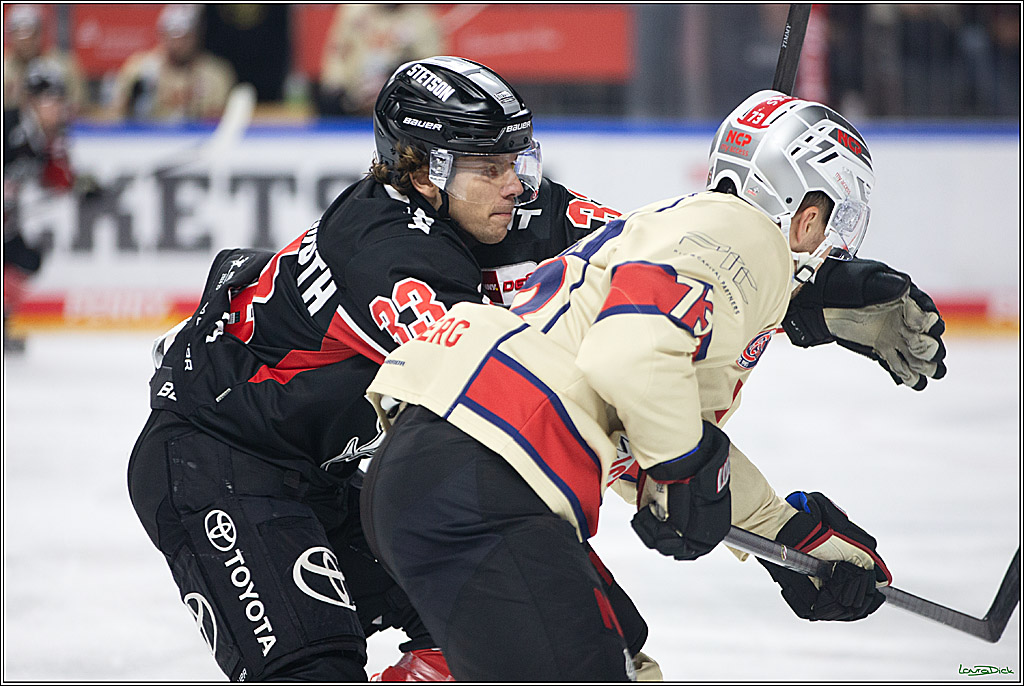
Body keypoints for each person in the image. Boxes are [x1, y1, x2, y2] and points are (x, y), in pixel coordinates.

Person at [127, 55, 945, 681]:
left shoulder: (511, 202)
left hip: (361, 471)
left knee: (596, 637)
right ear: (419, 171)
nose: (516, 182)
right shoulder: (383, 250)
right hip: (226, 461)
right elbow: (540, 398)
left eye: (518, 156)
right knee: (314, 669)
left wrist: (797, 289)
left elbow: (651, 255)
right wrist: (699, 478)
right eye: (489, 165)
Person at [360, 91, 901, 680]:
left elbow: (636, 415)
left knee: (621, 653)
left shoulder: (675, 230)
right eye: (840, 220)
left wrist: (790, 535)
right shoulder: (748, 235)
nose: (837, 246)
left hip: (441, 467)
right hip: (483, 479)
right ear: (807, 208)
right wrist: (683, 465)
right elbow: (632, 355)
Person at [4, 60, 100, 353]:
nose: (59, 107)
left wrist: (84, 187)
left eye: (61, 100)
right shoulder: (8, 126)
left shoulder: (52, 135)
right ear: (32, 101)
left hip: (7, 220)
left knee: (25, 259)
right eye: (52, 100)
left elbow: (58, 177)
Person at [109, 3, 236, 121]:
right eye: (172, 37)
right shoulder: (139, 69)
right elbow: (117, 115)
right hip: (148, 140)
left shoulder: (216, 73)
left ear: (197, 37)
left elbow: (227, 117)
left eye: (185, 38)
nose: (178, 45)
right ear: (161, 35)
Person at [316, 4, 443, 116]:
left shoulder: (420, 15)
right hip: (352, 93)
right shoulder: (355, 10)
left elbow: (429, 63)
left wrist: (395, 84)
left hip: (397, 94)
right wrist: (336, 84)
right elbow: (338, 50)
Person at [3, 4, 88, 115]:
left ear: (40, 34)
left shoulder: (63, 65)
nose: (25, 42)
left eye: (31, 34)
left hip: (58, 128)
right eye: (18, 34)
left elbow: (81, 106)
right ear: (10, 37)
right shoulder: (5, 68)